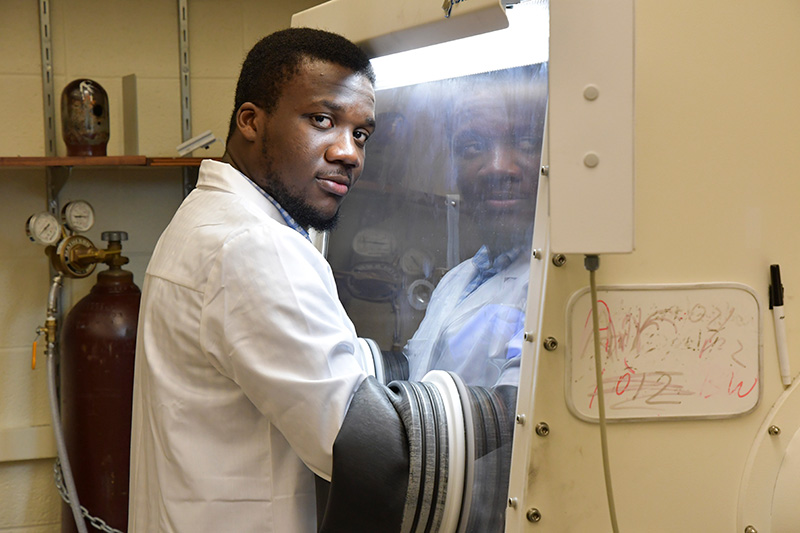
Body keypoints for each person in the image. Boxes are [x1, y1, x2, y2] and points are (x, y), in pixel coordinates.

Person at [128, 28, 377, 532]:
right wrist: (506, 409)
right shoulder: (255, 246)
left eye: (360, 133)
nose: (348, 152)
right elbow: (358, 450)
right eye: (322, 120)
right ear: (251, 120)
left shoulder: (208, 218)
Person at [405, 64, 548, 388]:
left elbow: (510, 417)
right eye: (473, 146)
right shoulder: (457, 280)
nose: (498, 168)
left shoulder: (558, 282)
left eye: (526, 141)